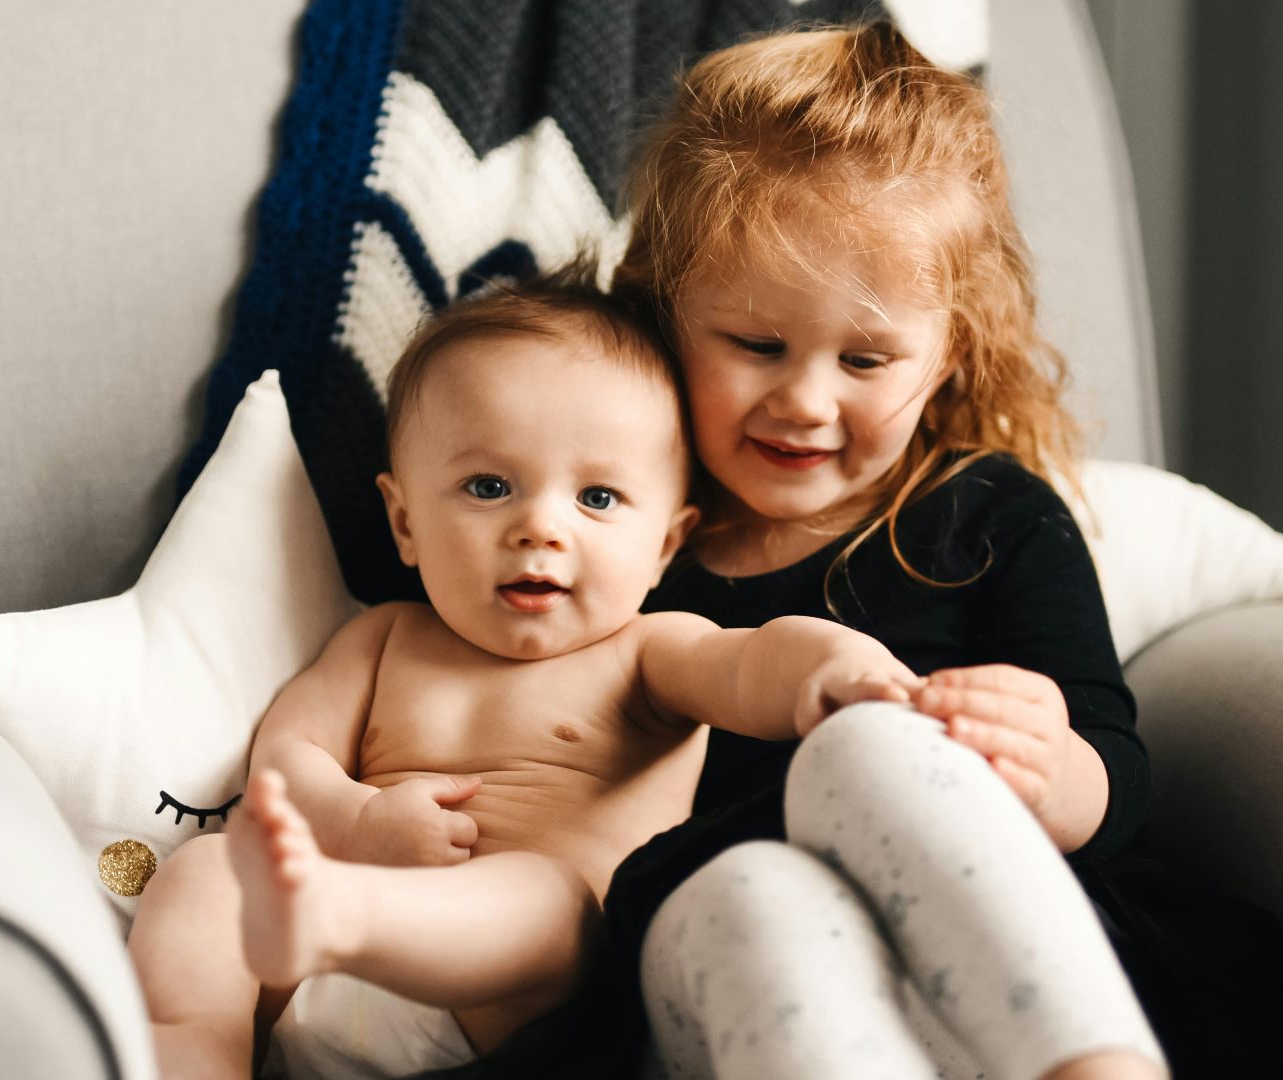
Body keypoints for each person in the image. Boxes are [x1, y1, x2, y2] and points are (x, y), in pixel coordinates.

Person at [562, 20, 1283, 1080]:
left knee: (866, 745)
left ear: (949, 352)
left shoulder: (988, 517)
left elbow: (1113, 771)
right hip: (737, 973)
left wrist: (1051, 767)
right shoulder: (616, 530)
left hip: (998, 960)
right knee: (749, 890)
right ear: (663, 311)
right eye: (754, 344)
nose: (805, 400)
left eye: (866, 358)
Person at [126, 273, 927, 1080]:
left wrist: (833, 667)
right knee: (205, 871)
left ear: (664, 547)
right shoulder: (382, 638)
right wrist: (357, 822)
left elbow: (753, 663)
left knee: (552, 903)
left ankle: (350, 917)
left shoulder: (648, 653)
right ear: (405, 521)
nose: (540, 526)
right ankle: (194, 1050)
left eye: (598, 496)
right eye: (488, 486)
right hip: (311, 965)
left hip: (510, 1018)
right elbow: (286, 758)